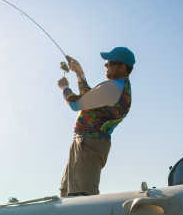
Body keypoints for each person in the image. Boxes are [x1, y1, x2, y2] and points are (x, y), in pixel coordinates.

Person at [57, 47, 134, 197]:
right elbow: (89, 98)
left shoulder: (112, 88)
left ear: (123, 66)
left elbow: (77, 104)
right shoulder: (118, 87)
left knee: (80, 196)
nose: (105, 66)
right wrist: (79, 73)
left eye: (109, 63)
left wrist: (64, 88)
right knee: (67, 192)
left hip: (89, 145)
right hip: (88, 143)